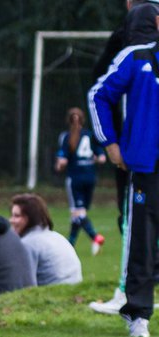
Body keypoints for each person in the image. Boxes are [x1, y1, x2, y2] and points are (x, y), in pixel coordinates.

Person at [89, 0, 159, 316]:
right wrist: (111, 143)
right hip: (144, 160)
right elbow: (98, 93)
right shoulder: (136, 57)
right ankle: (134, 307)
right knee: (140, 237)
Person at [55, 107, 107, 253]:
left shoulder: (66, 136)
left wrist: (59, 164)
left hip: (75, 178)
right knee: (79, 213)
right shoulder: (90, 135)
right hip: (90, 177)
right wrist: (95, 159)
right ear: (83, 119)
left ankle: (95, 236)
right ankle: (70, 244)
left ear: (68, 120)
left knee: (77, 213)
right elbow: (102, 158)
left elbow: (63, 160)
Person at [9, 193, 82, 286]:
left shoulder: (28, 244)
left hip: (52, 296)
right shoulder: (56, 236)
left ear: (30, 218)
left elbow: (25, 286)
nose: (11, 220)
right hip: (75, 292)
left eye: (17, 216)